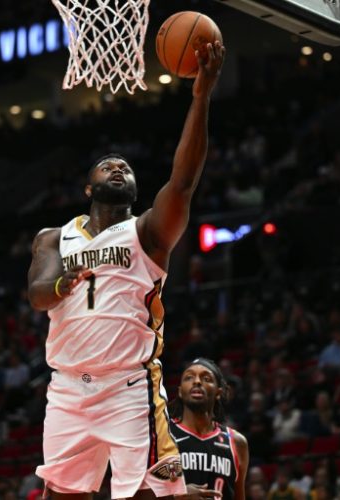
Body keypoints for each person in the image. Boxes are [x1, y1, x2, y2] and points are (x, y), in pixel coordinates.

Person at [27, 40, 226, 500]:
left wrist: (201, 97)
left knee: (147, 496)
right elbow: (38, 295)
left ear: (135, 190)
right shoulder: (53, 237)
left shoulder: (148, 233)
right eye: (107, 166)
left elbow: (184, 180)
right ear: (87, 187)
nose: (117, 168)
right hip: (67, 387)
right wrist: (64, 282)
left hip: (128, 386)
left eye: (126, 168)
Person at [169, 358, 249, 500]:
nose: (197, 381)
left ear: (218, 392)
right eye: (189, 377)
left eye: (206, 378)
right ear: (180, 392)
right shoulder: (163, 435)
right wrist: (176, 497)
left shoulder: (236, 442)